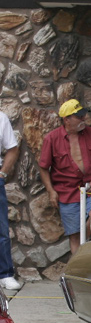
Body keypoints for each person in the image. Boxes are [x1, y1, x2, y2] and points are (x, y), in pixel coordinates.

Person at [38, 99, 91, 255]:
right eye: (79, 116)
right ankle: (78, 271)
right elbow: (44, 167)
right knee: (74, 236)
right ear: (66, 119)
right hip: (66, 192)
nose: (83, 118)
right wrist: (51, 191)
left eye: (83, 115)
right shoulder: (52, 138)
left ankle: (85, 242)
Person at [0, 111, 20, 290]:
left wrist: (2, 173)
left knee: (1, 229)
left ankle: (5, 274)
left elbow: (12, 148)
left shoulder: (1, 117)